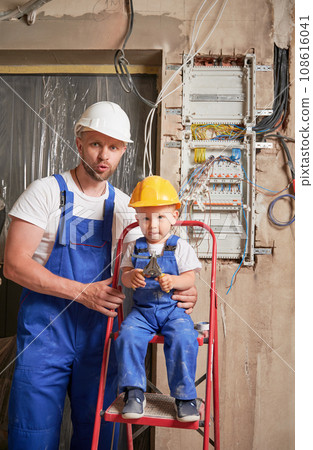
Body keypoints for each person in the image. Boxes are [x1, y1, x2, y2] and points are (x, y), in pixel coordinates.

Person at [3, 101, 197, 449]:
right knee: (31, 436)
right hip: (44, 336)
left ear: (123, 151)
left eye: (113, 147)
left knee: (99, 437)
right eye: (95, 144)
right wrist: (82, 292)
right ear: (79, 143)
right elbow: (14, 264)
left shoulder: (130, 209)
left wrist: (184, 290)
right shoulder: (46, 192)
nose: (103, 155)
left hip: (101, 339)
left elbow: (150, 268)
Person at [115, 176, 201, 423]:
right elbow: (124, 276)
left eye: (160, 217)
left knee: (185, 337)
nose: (153, 225)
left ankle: (185, 398)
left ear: (174, 216)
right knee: (127, 336)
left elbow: (189, 279)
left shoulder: (180, 247)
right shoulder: (134, 247)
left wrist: (174, 281)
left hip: (173, 312)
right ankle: (133, 393)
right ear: (137, 219)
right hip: (142, 312)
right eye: (145, 218)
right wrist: (132, 277)